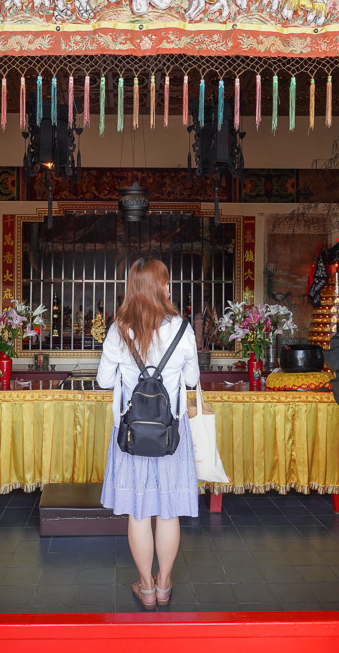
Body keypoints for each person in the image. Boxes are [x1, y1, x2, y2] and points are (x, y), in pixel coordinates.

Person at [96, 257, 200, 610]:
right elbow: (191, 381)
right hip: (171, 434)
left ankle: (145, 586)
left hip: (131, 435)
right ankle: (165, 584)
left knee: (138, 512)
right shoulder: (184, 330)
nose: (170, 288)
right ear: (161, 288)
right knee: (167, 511)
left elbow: (103, 381)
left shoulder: (118, 330)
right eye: (167, 283)